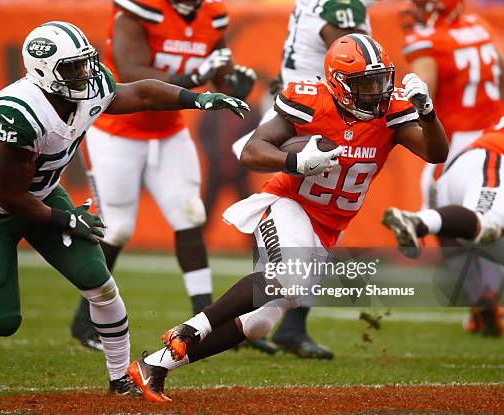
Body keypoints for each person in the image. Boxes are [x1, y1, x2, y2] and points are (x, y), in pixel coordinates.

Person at [0, 21, 248, 395]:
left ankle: (121, 378)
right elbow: (10, 196)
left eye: (83, 63)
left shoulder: (88, 88)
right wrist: (65, 217)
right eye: (70, 68)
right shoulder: (19, 112)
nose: (83, 74)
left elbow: (139, 94)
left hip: (42, 194)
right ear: (42, 71)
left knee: (100, 284)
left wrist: (197, 99)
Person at [126, 33, 449, 402]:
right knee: (288, 277)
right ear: (339, 83)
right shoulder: (312, 101)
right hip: (287, 203)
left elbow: (435, 152)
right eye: (365, 83)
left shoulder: (391, 112)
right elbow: (251, 151)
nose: (376, 92)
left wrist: (428, 113)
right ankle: (191, 327)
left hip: (329, 229)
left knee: (259, 324)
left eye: (380, 81)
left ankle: (153, 366)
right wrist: (294, 161)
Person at [70, 0, 256, 350]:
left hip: (168, 131)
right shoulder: (138, 10)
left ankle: (205, 317)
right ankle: (85, 320)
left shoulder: (212, 16)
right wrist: (196, 78)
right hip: (115, 130)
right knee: (118, 226)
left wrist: (234, 85)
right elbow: (131, 73)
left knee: (190, 214)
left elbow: (218, 76)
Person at [231, 0, 372, 359]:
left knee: (311, 215)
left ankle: (264, 316)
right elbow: (354, 54)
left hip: (303, 102)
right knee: (318, 213)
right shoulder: (340, 6)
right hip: (319, 112)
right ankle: (274, 319)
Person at [399, 0, 504, 334]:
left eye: (420, 3)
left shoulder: (429, 40)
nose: (412, 8)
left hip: (456, 146)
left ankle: (479, 299)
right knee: (485, 220)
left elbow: (422, 92)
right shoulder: (479, 25)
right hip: (493, 132)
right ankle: (487, 299)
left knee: (446, 224)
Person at [383, 116, 504, 337]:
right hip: (493, 158)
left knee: (454, 228)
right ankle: (417, 221)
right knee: (487, 226)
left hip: (458, 163)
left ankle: (483, 301)